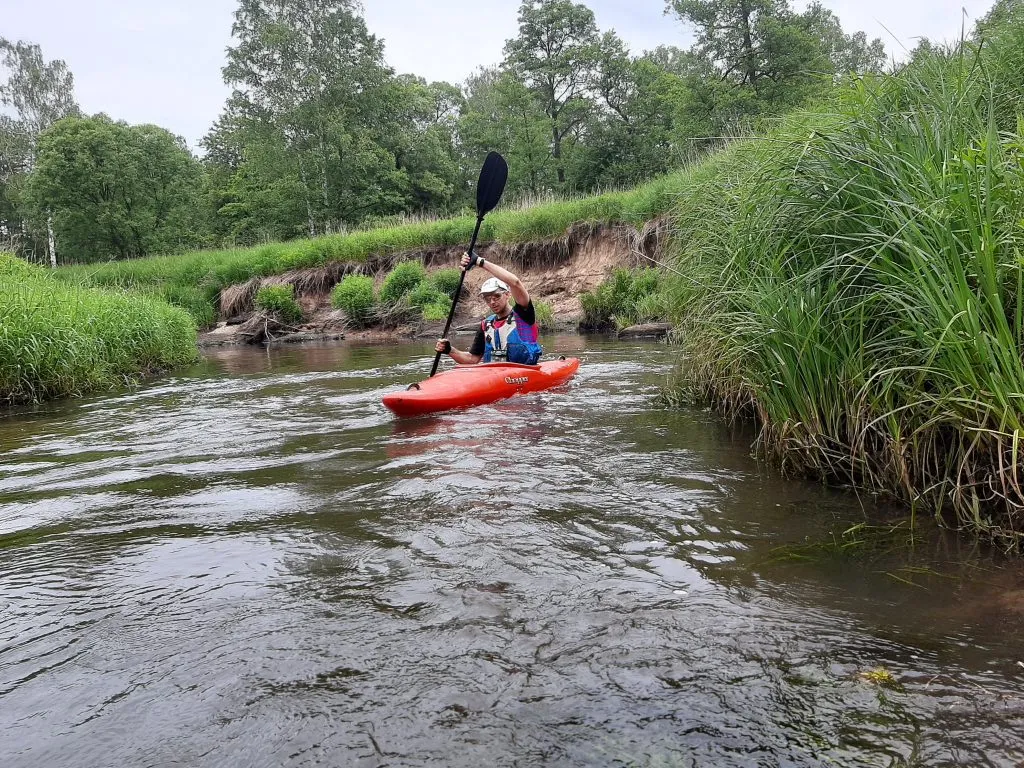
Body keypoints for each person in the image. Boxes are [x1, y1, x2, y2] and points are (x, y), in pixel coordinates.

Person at [435, 251, 543, 365]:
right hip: (495, 375)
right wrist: (450, 350)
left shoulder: (523, 314)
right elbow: (472, 359)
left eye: (497, 296)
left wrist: (479, 261)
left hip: (524, 373)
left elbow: (515, 283)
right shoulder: (486, 325)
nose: (492, 302)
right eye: (487, 299)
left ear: (507, 295)